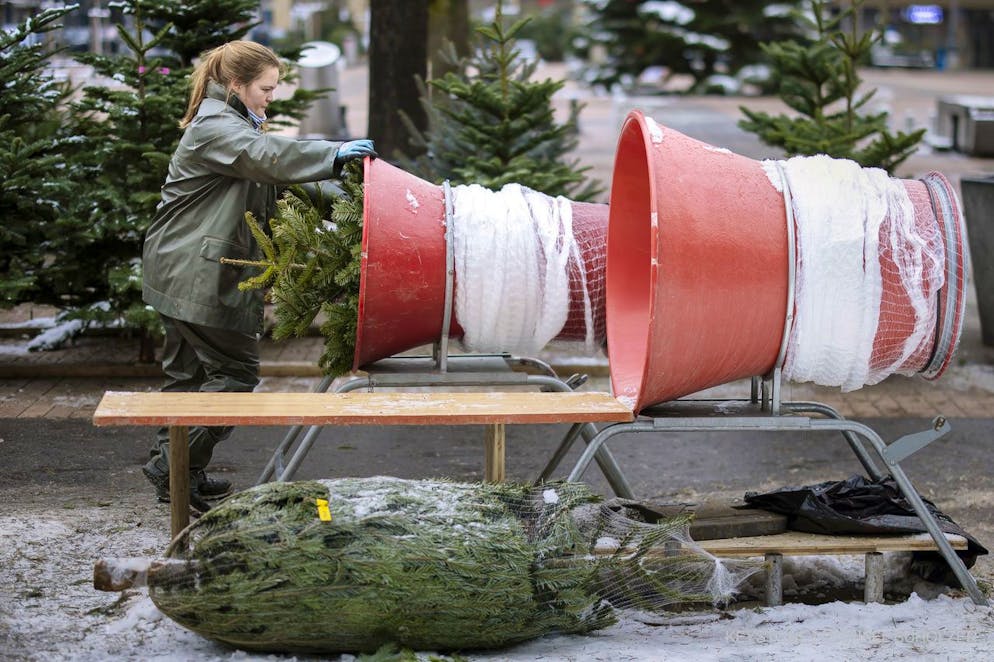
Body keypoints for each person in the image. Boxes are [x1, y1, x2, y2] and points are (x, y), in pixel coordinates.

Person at [141, 40, 375, 511]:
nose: (271, 97)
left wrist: (358, 205)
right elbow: (266, 158)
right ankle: (172, 468)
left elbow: (279, 181)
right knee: (234, 373)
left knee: (186, 380)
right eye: (265, 88)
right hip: (195, 270)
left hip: (178, 265)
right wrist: (333, 153)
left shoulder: (233, 123)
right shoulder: (217, 127)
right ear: (235, 84)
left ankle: (181, 472)